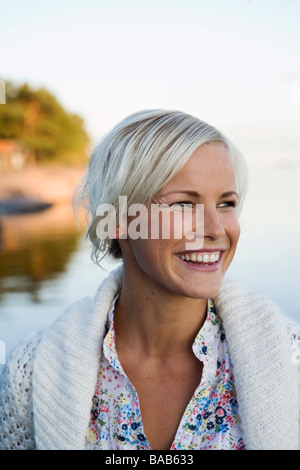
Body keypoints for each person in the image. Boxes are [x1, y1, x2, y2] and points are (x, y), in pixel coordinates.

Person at [0, 110, 299, 450]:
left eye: (226, 203)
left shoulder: (290, 359)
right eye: (185, 204)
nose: (217, 230)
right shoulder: (32, 373)